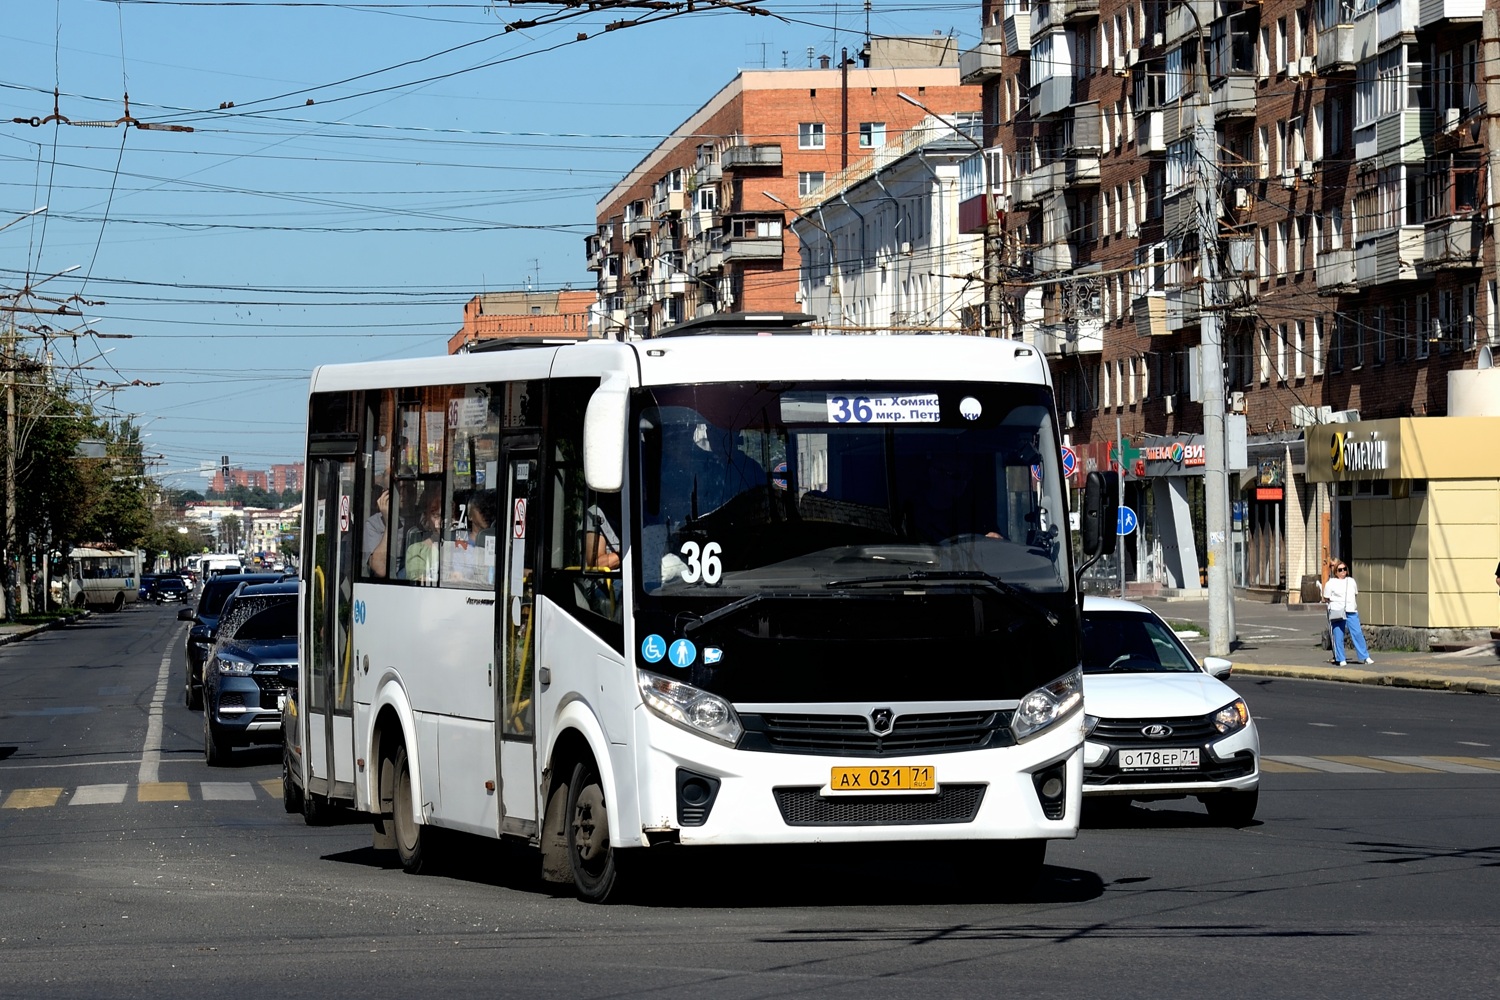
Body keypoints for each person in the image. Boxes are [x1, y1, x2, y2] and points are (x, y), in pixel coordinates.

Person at [1322, 561, 1373, 666]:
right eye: (1340, 570)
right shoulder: (1331, 583)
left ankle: (1365, 657)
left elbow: (1355, 594)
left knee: (1357, 633)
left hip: (1351, 610)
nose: (1343, 572)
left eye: (1344, 569)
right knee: (1338, 635)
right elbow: (1326, 597)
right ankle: (1341, 658)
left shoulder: (1351, 581)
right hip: (1337, 611)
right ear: (1335, 572)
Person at [402, 483, 444, 585]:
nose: (440, 523)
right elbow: (419, 582)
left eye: (446, 514)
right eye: (435, 515)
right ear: (427, 517)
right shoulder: (417, 550)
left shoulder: (466, 547)